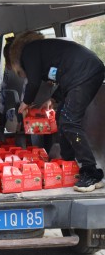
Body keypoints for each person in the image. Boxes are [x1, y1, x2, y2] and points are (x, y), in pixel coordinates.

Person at [11, 31, 105, 192]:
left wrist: (25, 103)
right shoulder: (44, 52)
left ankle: (91, 172)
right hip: (83, 73)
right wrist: (53, 99)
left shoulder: (29, 51)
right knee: (62, 116)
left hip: (86, 72)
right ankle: (68, 163)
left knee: (69, 121)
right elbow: (65, 75)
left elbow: (33, 82)